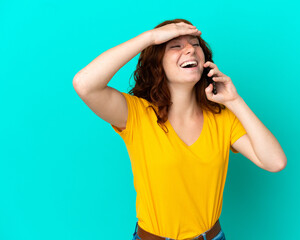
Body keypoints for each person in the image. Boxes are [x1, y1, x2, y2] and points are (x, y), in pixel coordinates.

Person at [73, 18, 286, 240]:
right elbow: (84, 84)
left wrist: (234, 100)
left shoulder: (222, 118)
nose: (190, 50)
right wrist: (150, 38)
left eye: (195, 44)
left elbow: (275, 162)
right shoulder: (137, 114)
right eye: (175, 46)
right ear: (158, 63)